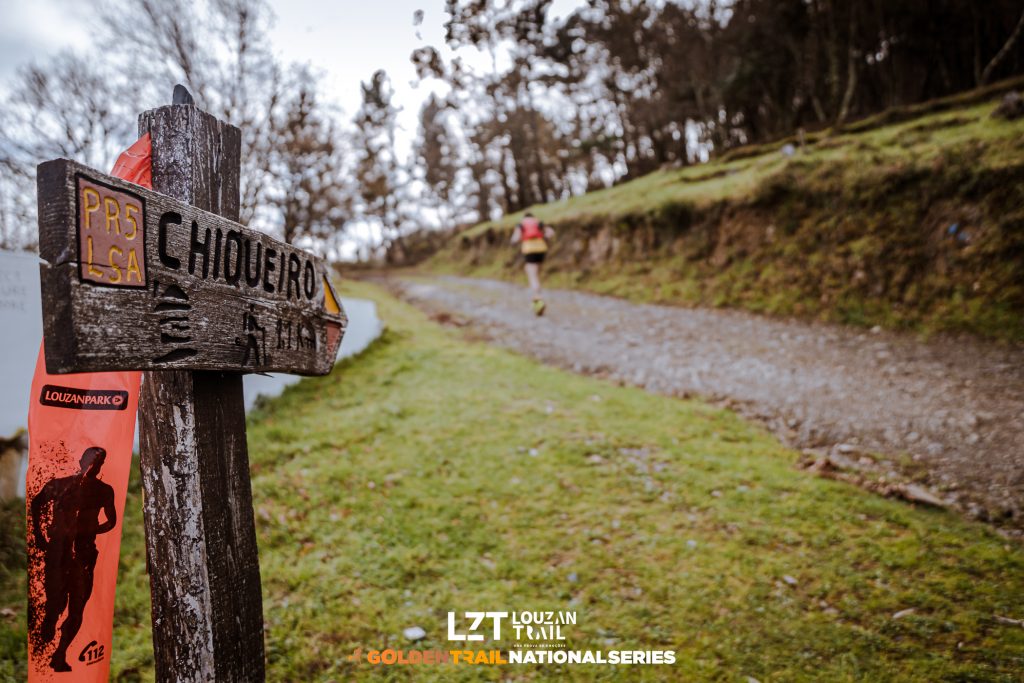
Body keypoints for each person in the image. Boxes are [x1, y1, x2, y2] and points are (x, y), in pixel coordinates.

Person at [30, 446, 116, 672]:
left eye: (98, 463)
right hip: (59, 552)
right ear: (81, 461)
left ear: (101, 466)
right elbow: (36, 504)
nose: (93, 466)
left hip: (84, 555)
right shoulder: (59, 485)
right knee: (55, 604)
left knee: (77, 609)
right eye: (91, 461)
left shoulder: (103, 490)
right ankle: (49, 626)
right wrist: (39, 535)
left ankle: (59, 654)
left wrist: (90, 530)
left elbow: (111, 521)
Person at [510, 212, 555, 316]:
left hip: (529, 249)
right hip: (541, 249)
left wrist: (514, 241)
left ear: (524, 218)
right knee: (537, 273)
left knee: (532, 275)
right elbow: (551, 232)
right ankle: (537, 296)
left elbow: (515, 238)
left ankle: (538, 298)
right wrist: (544, 237)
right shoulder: (538, 222)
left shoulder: (521, 224)